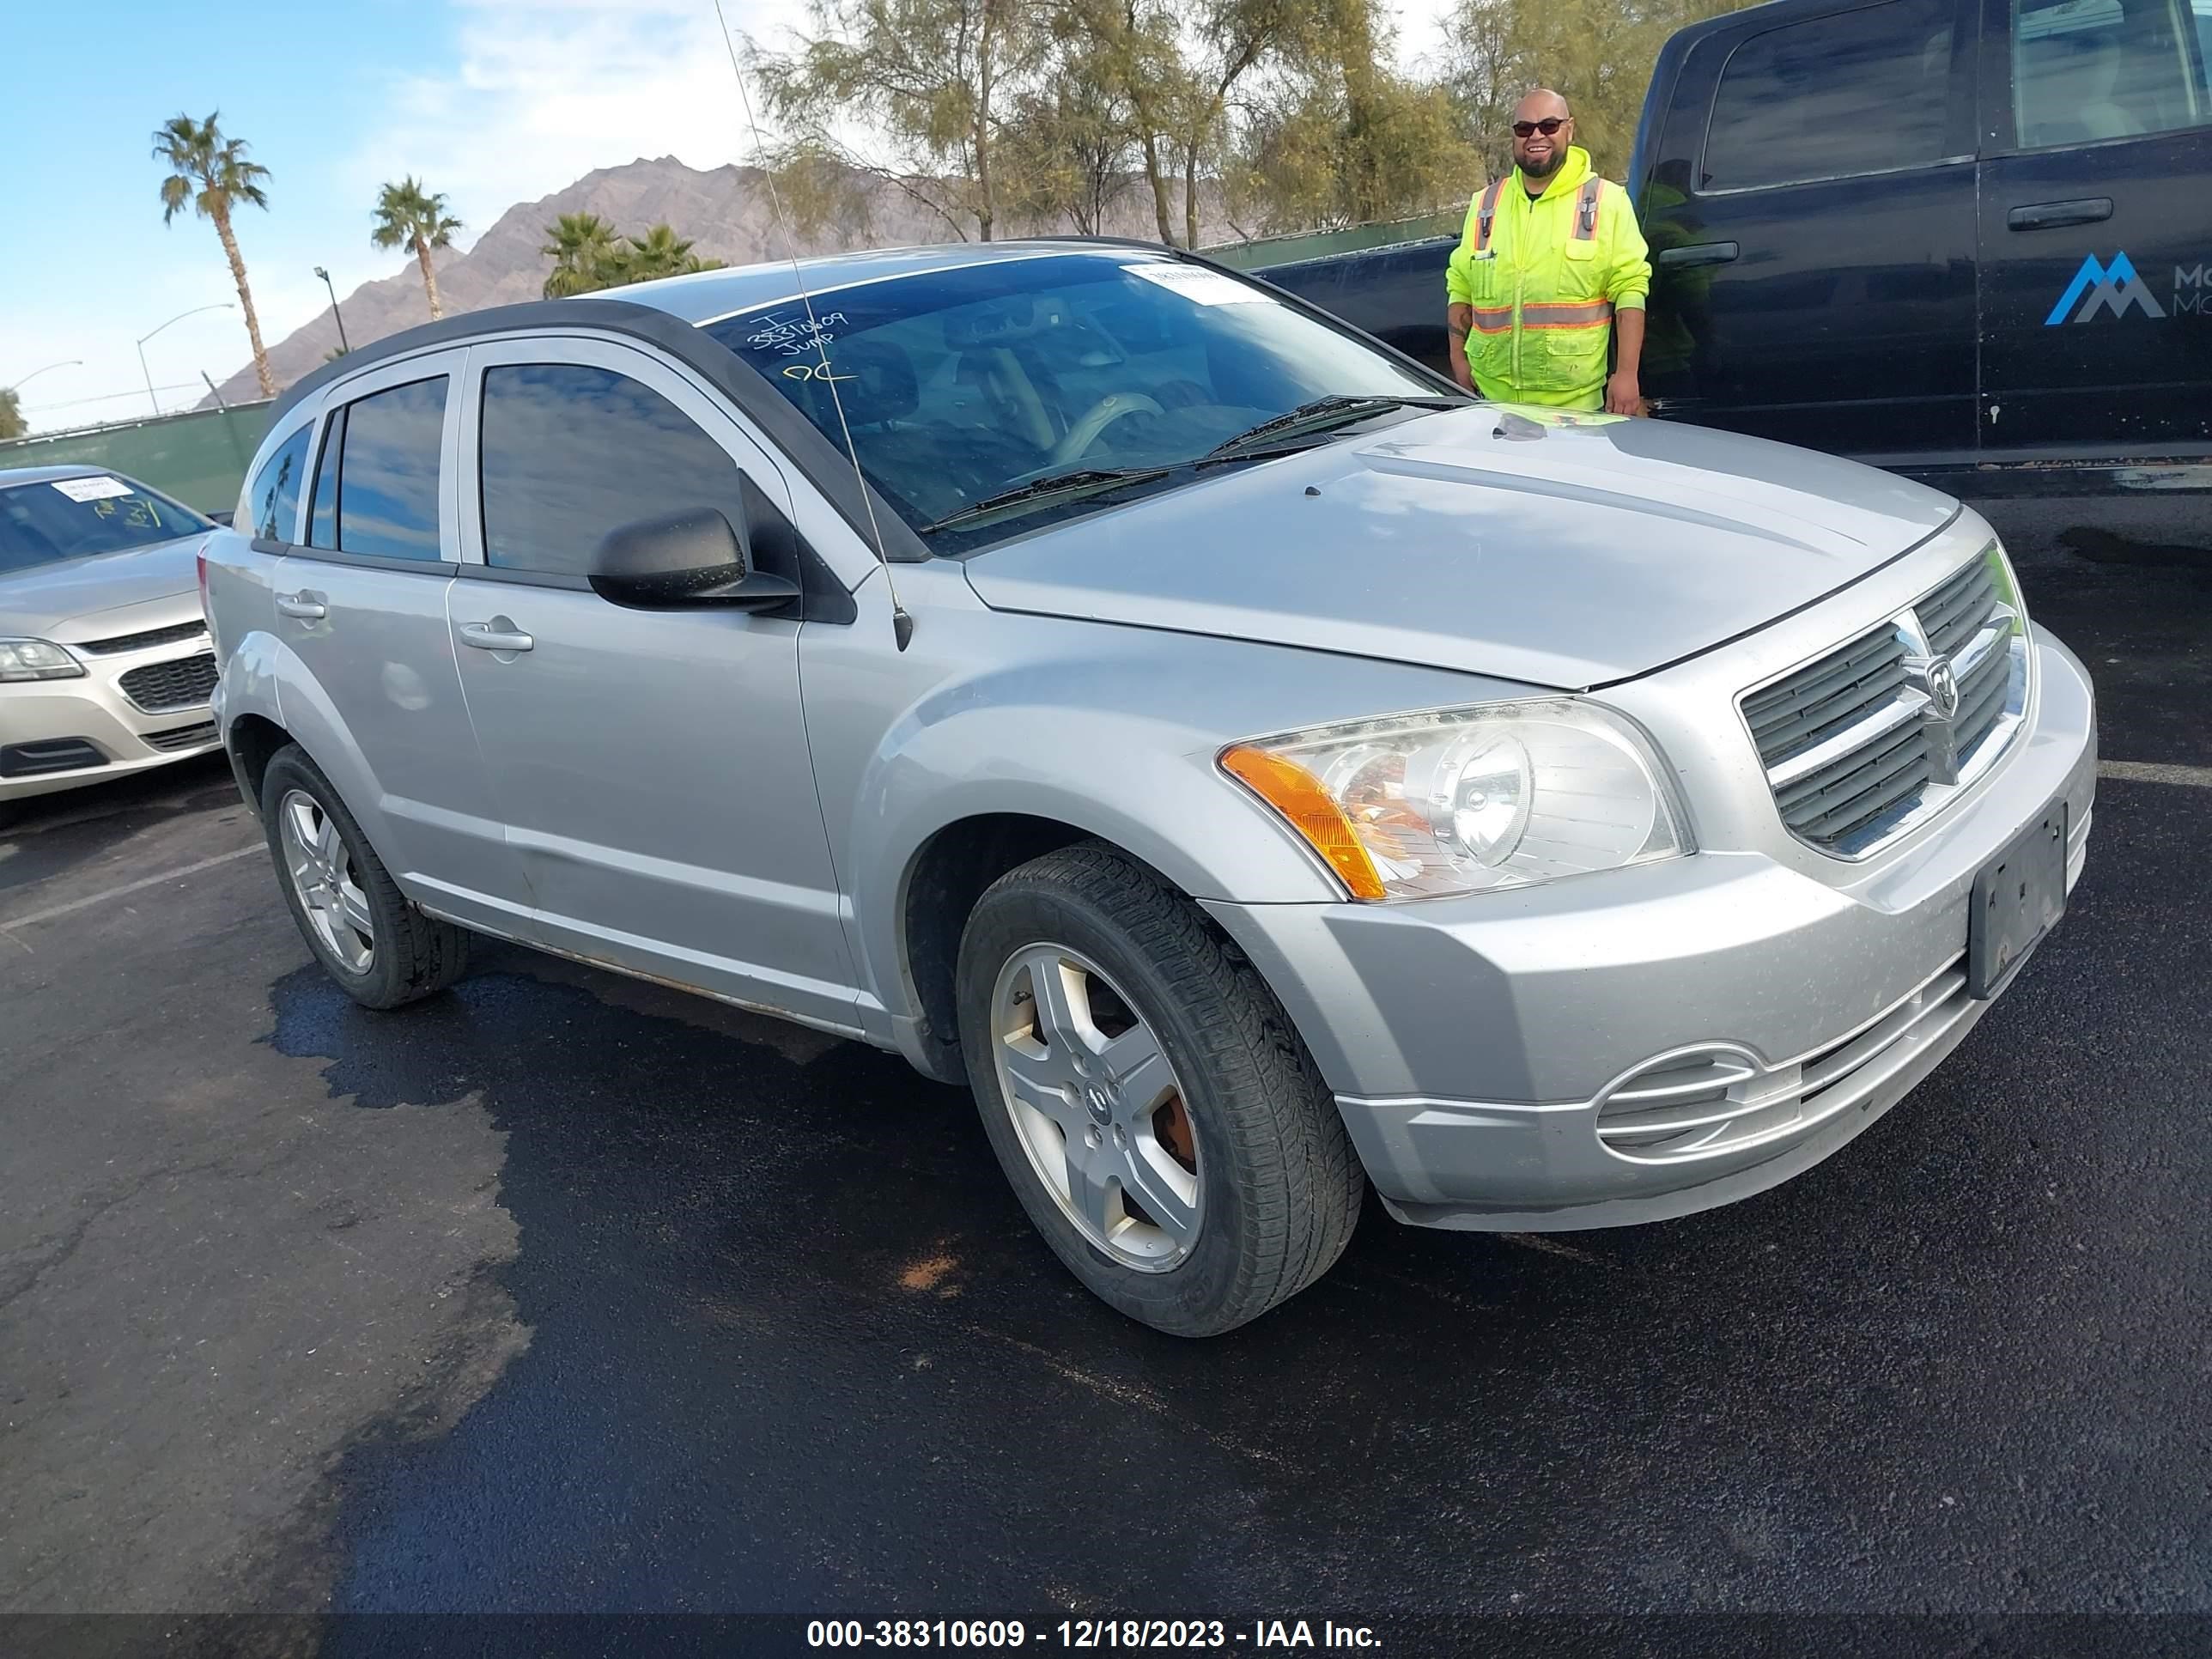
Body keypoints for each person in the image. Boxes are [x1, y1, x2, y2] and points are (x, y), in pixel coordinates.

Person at [1444, 89, 1652, 415]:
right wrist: (1458, 360)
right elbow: (1461, 286)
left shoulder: (1606, 202)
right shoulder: (1485, 205)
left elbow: (1630, 288)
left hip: (1576, 408)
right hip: (1493, 405)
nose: (1536, 136)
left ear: (1569, 129)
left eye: (1549, 125)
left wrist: (1626, 375)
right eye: (1524, 128)